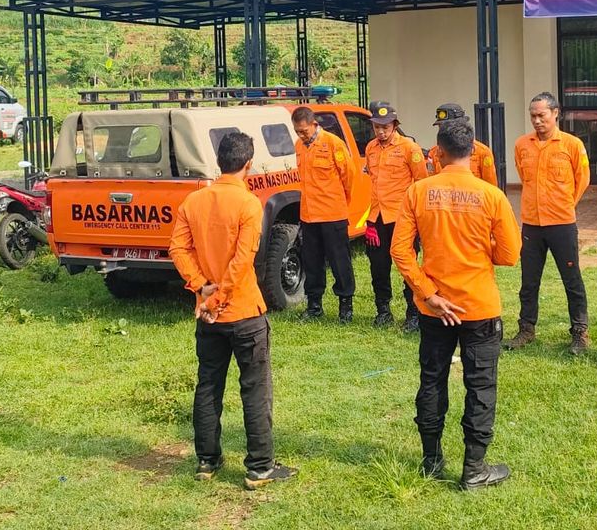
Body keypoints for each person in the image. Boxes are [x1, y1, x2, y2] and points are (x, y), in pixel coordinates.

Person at [391, 120, 521, 490]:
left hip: (435, 308)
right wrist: (481, 251)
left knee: (431, 381)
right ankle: (474, 468)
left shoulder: (418, 192)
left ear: (438, 152)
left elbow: (400, 249)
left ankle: (432, 459)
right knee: (481, 386)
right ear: (473, 152)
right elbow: (510, 254)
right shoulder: (491, 195)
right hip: (479, 307)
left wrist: (427, 293)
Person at [169, 131, 297, 490]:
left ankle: (207, 461)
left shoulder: (193, 202)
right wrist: (220, 296)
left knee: (208, 385)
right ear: (248, 164)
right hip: (242, 313)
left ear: (218, 161)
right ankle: (259, 466)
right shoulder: (248, 204)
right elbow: (243, 261)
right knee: (255, 390)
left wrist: (200, 288)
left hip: (209, 316)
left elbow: (178, 249)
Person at [505, 92, 592, 355]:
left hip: (562, 223)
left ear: (556, 113)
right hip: (531, 223)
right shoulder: (522, 144)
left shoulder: (572, 144)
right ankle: (526, 329)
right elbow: (523, 176)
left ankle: (579, 332)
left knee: (572, 279)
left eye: (542, 115)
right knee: (529, 280)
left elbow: (582, 179)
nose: (537, 120)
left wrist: (564, 204)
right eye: (533, 116)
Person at [363, 102, 428, 329]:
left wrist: (417, 217)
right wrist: (370, 219)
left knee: (407, 265)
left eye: (385, 126)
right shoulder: (370, 148)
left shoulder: (410, 148)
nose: (381, 131)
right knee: (378, 267)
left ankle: (413, 312)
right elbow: (373, 182)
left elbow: (420, 183)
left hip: (402, 217)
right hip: (377, 217)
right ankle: (383, 310)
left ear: (394, 125)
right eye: (377, 127)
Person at [291, 106, 357, 323]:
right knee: (312, 261)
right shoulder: (299, 146)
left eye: (304, 131)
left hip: (332, 214)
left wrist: (340, 202)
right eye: (298, 131)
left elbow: (349, 176)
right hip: (309, 215)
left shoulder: (333, 144)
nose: (302, 135)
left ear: (314, 125)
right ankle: (314, 305)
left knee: (340, 262)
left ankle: (345, 305)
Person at [426, 103, 498, 185]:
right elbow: (430, 185)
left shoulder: (482, 152)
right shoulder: (434, 152)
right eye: (441, 127)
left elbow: (491, 186)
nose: (445, 131)